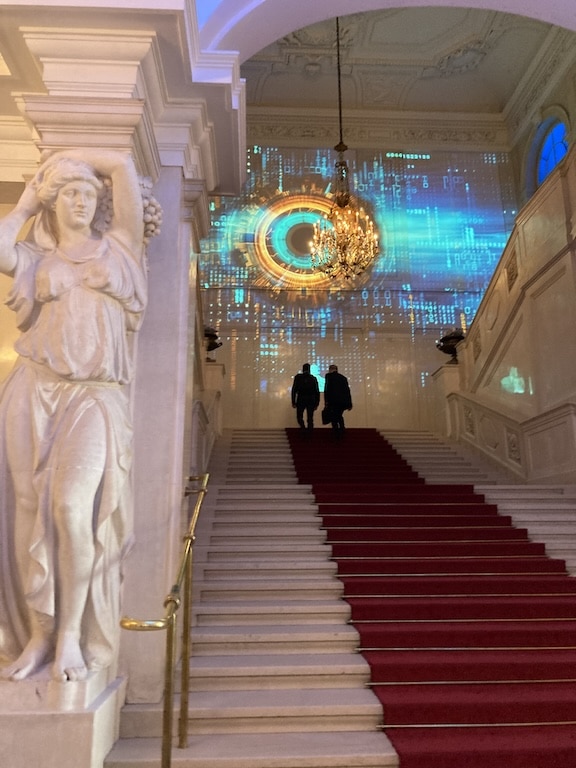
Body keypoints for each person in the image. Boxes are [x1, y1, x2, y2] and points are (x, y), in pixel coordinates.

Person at [0, 149, 148, 683]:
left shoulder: (121, 247)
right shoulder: (35, 258)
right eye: (70, 194)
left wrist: (73, 161)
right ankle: (39, 635)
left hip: (95, 396)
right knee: (27, 505)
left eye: (88, 194)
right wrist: (29, 199)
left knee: (69, 507)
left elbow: (122, 168)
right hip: (34, 388)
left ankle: (70, 638)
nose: (82, 202)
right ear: (53, 203)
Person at [324, 364, 352, 437]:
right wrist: (349, 403)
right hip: (342, 402)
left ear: (330, 370)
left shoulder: (329, 376)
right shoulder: (343, 378)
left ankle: (336, 432)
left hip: (333, 401)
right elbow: (347, 391)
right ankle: (342, 430)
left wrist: (326, 401)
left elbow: (327, 389)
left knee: (333, 417)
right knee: (339, 415)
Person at [291, 363, 320, 430]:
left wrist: (293, 401)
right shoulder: (313, 378)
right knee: (310, 418)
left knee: (299, 417)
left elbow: (294, 390)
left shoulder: (298, 377)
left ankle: (303, 428)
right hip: (311, 399)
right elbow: (317, 391)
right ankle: (310, 432)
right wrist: (317, 403)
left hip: (301, 399)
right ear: (309, 370)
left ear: (303, 369)